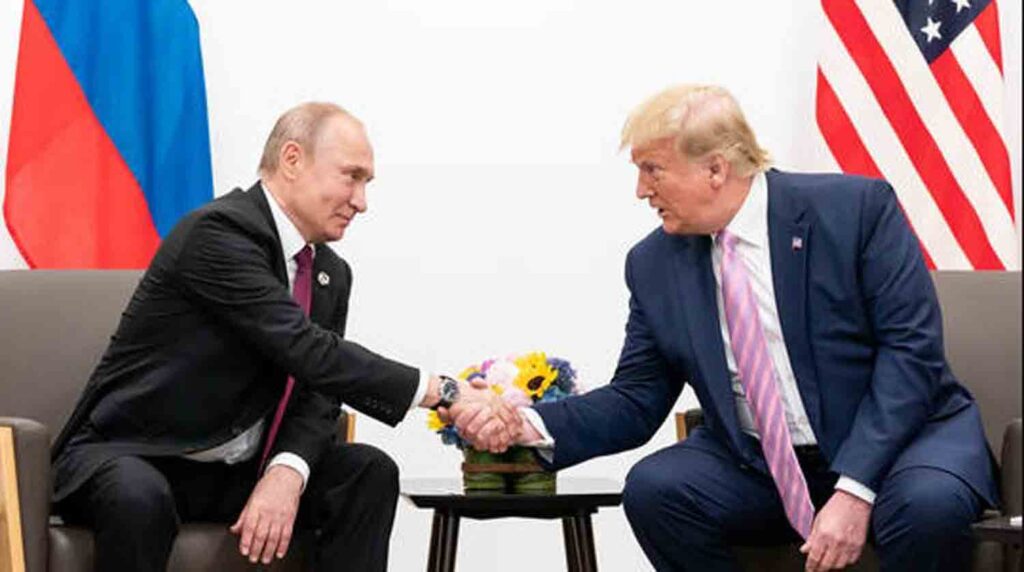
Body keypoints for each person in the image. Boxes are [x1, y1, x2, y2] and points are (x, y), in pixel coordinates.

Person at [449, 85, 997, 572]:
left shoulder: (854, 210)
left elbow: (911, 353)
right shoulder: (654, 264)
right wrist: (527, 425)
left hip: (903, 443)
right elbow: (638, 397)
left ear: (715, 169)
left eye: (652, 170)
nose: (641, 191)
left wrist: (855, 488)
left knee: (928, 507)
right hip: (764, 464)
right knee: (657, 491)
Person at [51, 102, 516, 572]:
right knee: (139, 496)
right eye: (350, 177)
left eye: (366, 183)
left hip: (232, 473)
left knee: (366, 472)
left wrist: (286, 471)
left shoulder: (330, 274)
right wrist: (443, 392)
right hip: (138, 455)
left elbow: (319, 392)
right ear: (292, 160)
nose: (361, 201)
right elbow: (310, 352)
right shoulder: (216, 235)